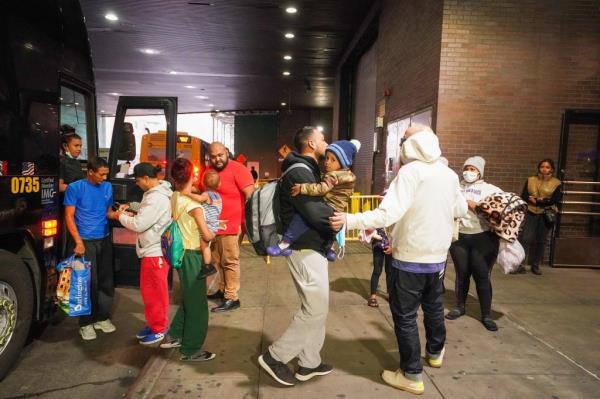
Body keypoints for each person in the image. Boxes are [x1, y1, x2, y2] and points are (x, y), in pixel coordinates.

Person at [330, 124, 468, 395]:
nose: (402, 143)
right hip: (438, 257)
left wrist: (349, 219)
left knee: (405, 317)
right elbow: (461, 208)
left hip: (409, 257)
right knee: (433, 307)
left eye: (405, 138)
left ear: (412, 144)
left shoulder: (410, 172)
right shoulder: (448, 174)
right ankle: (435, 353)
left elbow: (387, 213)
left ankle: (411, 374)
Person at [258, 126, 338, 387]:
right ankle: (275, 357)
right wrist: (341, 220)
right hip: (305, 249)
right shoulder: (300, 171)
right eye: (323, 139)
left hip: (312, 247)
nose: (326, 142)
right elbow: (315, 213)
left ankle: (309, 362)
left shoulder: (307, 169)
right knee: (315, 309)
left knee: (316, 308)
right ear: (312, 144)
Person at [108, 163, 173, 345]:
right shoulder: (154, 194)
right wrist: (131, 209)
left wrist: (118, 216)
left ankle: (159, 328)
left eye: (137, 180)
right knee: (149, 292)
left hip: (155, 251)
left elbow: (139, 224)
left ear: (145, 178)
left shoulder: (156, 198)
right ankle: (153, 324)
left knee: (156, 293)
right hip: (151, 249)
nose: (137, 184)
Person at [159, 158, 216, 361]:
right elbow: (207, 236)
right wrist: (217, 229)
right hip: (193, 255)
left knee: (190, 299)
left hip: (181, 255)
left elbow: (185, 193)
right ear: (193, 177)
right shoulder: (194, 207)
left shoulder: (175, 197)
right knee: (198, 305)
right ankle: (191, 349)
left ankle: (174, 334)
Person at [266, 139, 361, 261]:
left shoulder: (333, 176)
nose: (327, 162)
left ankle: (284, 243)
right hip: (338, 207)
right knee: (333, 227)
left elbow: (322, 188)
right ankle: (329, 249)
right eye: (327, 158)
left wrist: (302, 188)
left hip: (329, 205)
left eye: (333, 160)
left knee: (300, 219)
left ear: (343, 163)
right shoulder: (348, 175)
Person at [446, 156, 502, 332]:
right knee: (462, 274)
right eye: (466, 168)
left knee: (482, 275)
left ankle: (486, 314)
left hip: (482, 237)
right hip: (459, 237)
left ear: (480, 172)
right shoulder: (455, 187)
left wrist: (477, 206)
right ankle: (460, 306)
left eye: (473, 169)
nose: (468, 172)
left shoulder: (491, 190)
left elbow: (500, 212)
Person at [64, 157, 116, 341]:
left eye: (106, 174)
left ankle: (102, 318)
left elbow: (108, 212)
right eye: (101, 174)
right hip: (84, 242)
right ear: (90, 172)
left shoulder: (108, 187)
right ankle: (85, 323)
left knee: (105, 281)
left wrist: (118, 214)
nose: (104, 178)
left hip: (103, 239)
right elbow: (69, 216)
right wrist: (77, 241)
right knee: (86, 284)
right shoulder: (75, 188)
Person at [205, 142, 255, 312]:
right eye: (213, 156)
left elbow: (250, 196)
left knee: (230, 261)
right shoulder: (208, 170)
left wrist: (249, 223)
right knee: (218, 260)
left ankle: (232, 297)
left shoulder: (238, 169)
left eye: (220, 155)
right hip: (215, 225)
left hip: (233, 224)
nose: (217, 159)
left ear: (226, 152)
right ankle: (223, 290)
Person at [516, 158, 561, 275]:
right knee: (525, 238)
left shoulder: (556, 182)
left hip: (546, 213)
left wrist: (540, 202)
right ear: (538, 168)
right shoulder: (531, 179)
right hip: (531, 212)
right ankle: (521, 264)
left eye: (547, 167)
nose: (544, 169)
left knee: (541, 240)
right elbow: (524, 195)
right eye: (542, 166)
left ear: (552, 169)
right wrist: (531, 199)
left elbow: (555, 200)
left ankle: (535, 265)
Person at [182, 169, 222, 279]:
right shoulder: (218, 196)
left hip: (208, 226)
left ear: (203, 183)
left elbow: (200, 198)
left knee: (204, 246)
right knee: (207, 246)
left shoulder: (206, 194)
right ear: (219, 184)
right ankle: (208, 263)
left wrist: (188, 194)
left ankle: (208, 266)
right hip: (214, 225)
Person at [367, 227, 392, 308]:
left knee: (389, 271)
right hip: (378, 243)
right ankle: (373, 296)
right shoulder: (376, 214)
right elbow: (368, 227)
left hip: (391, 243)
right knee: (377, 270)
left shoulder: (395, 215)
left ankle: (390, 294)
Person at [59, 125, 85, 193]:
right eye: (76, 146)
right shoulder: (61, 163)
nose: (79, 149)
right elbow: (59, 186)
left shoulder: (77, 163)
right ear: (65, 146)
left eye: (80, 146)